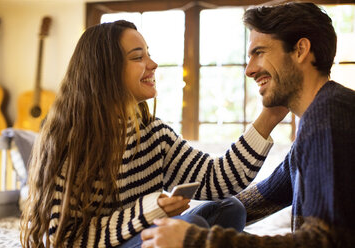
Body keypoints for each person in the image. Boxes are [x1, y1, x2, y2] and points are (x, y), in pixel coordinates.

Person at [20, 20, 288, 248]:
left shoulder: (152, 132)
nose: (153, 64)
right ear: (106, 70)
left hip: (139, 234)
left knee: (230, 208)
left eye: (148, 54)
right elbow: (64, 238)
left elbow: (216, 179)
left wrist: (270, 116)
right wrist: (149, 210)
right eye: (138, 57)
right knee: (191, 227)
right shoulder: (71, 140)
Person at [141, 2, 355, 248]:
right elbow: (261, 198)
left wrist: (196, 240)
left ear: (300, 50)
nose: (249, 70)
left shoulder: (330, 115)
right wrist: (188, 220)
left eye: (259, 52)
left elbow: (327, 241)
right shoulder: (318, 118)